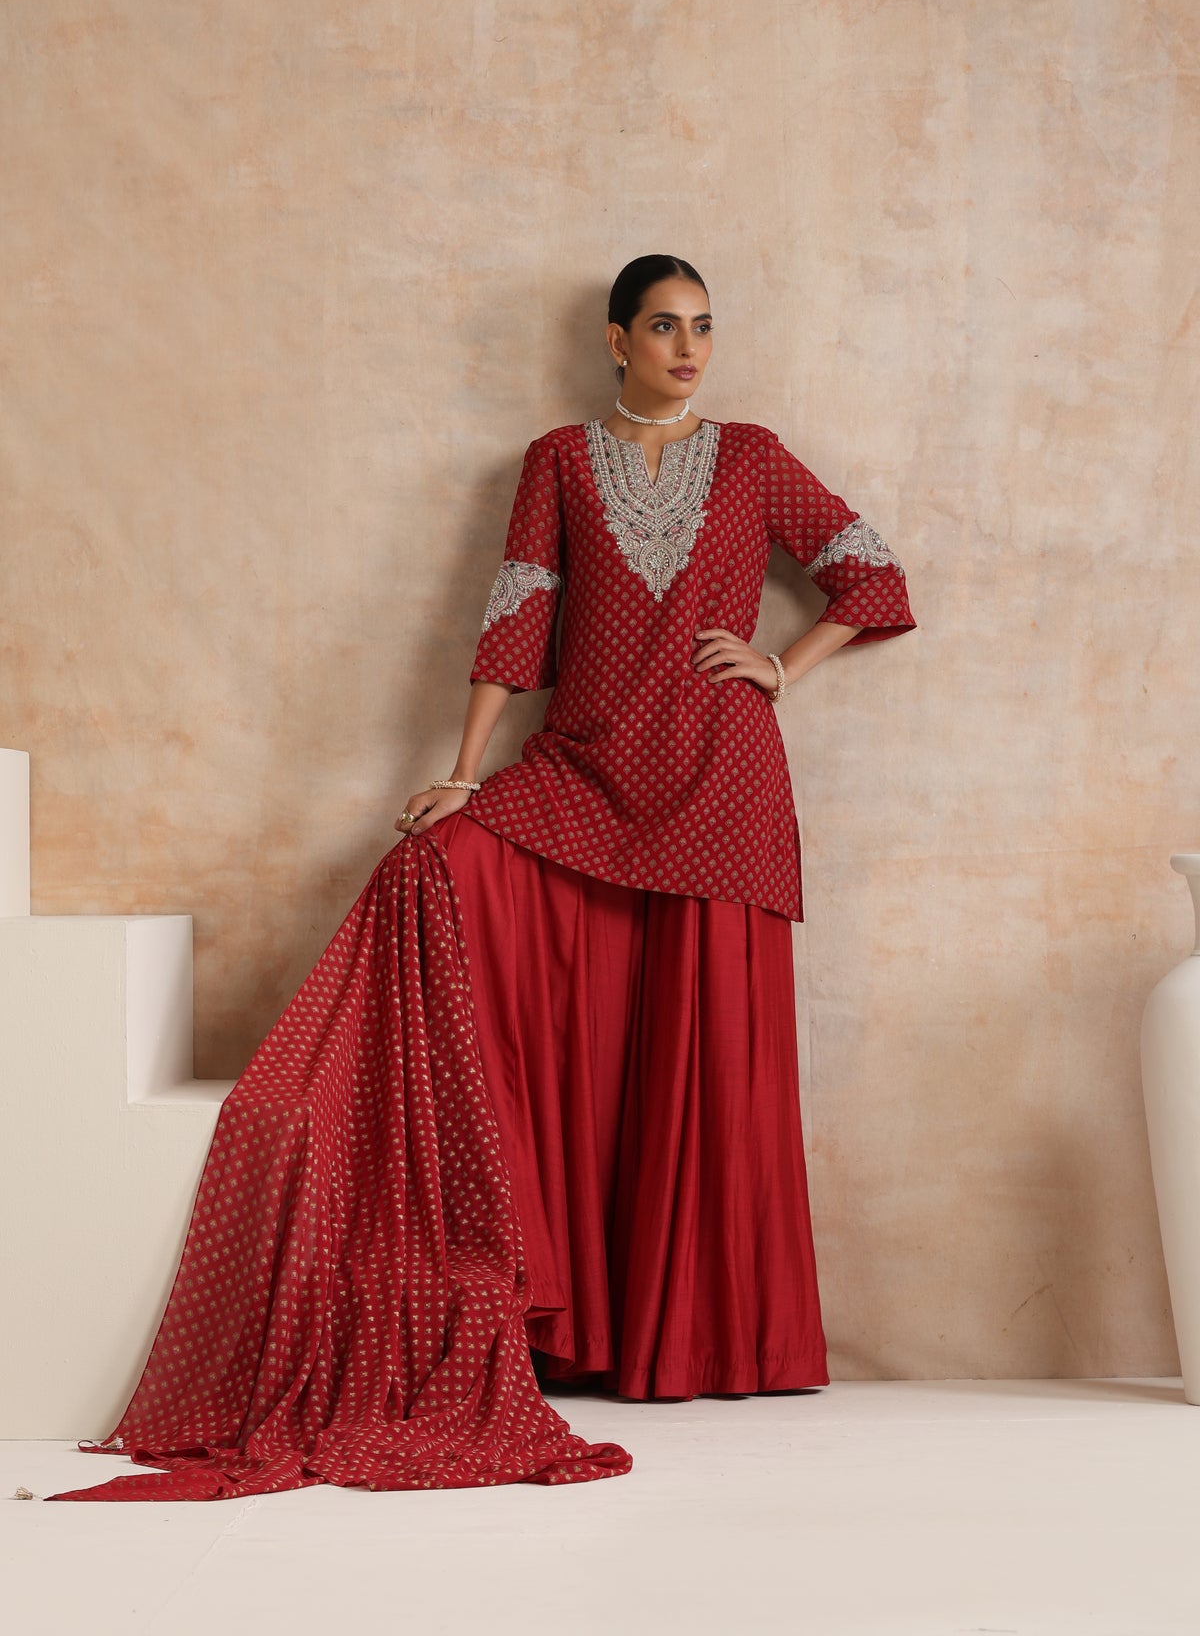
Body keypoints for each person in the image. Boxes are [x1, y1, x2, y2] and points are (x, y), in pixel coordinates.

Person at [46, 254, 915, 1506]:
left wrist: (784, 664)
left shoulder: (753, 457)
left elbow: (873, 574)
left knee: (698, 1054)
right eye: (663, 327)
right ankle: (540, 1302)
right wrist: (464, 774)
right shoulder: (557, 461)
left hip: (721, 788)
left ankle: (707, 1342)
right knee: (437, 871)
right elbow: (517, 620)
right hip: (581, 768)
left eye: (703, 328)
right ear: (615, 340)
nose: (688, 349)